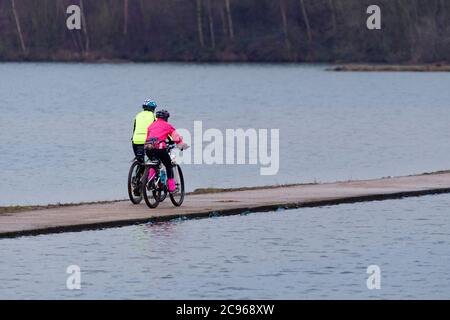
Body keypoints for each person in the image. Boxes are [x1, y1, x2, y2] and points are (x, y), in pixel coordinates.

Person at [145, 109, 188, 193]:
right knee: (168, 166)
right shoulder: (167, 126)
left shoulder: (151, 125)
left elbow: (148, 137)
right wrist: (182, 146)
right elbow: (176, 138)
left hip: (148, 148)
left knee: (154, 163)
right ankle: (172, 188)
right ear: (166, 118)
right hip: (160, 149)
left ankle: (149, 181)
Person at [132, 99, 157, 163]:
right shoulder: (154, 116)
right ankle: (154, 168)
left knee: (140, 159)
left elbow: (135, 128)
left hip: (136, 140)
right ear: (153, 108)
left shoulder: (137, 115)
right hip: (148, 141)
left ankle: (141, 171)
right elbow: (158, 128)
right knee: (154, 158)